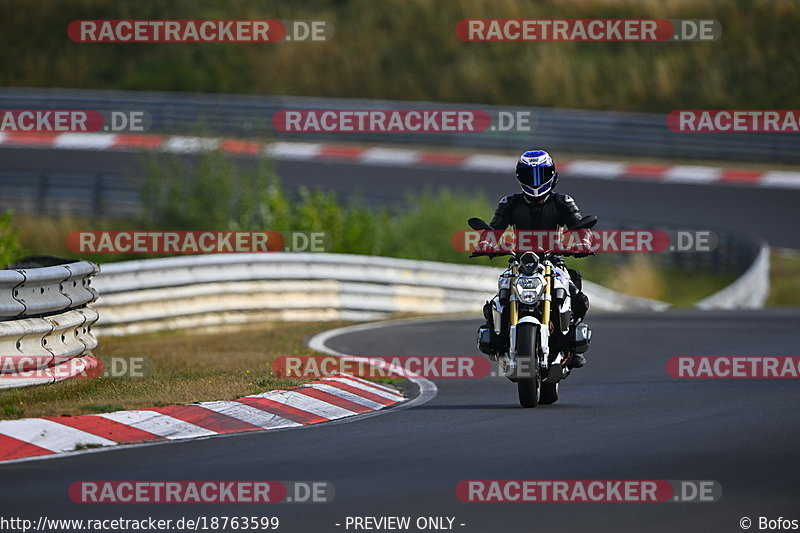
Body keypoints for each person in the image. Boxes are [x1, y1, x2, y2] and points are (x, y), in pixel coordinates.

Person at [477, 149, 593, 368]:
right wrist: (486, 243)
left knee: (578, 298)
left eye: (541, 174)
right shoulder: (509, 203)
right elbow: (495, 228)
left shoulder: (563, 202)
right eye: (530, 175)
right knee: (497, 300)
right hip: (520, 263)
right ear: (520, 176)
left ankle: (571, 346)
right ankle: (496, 342)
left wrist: (583, 242)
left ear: (552, 175)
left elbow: (579, 225)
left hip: (553, 261)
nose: (536, 180)